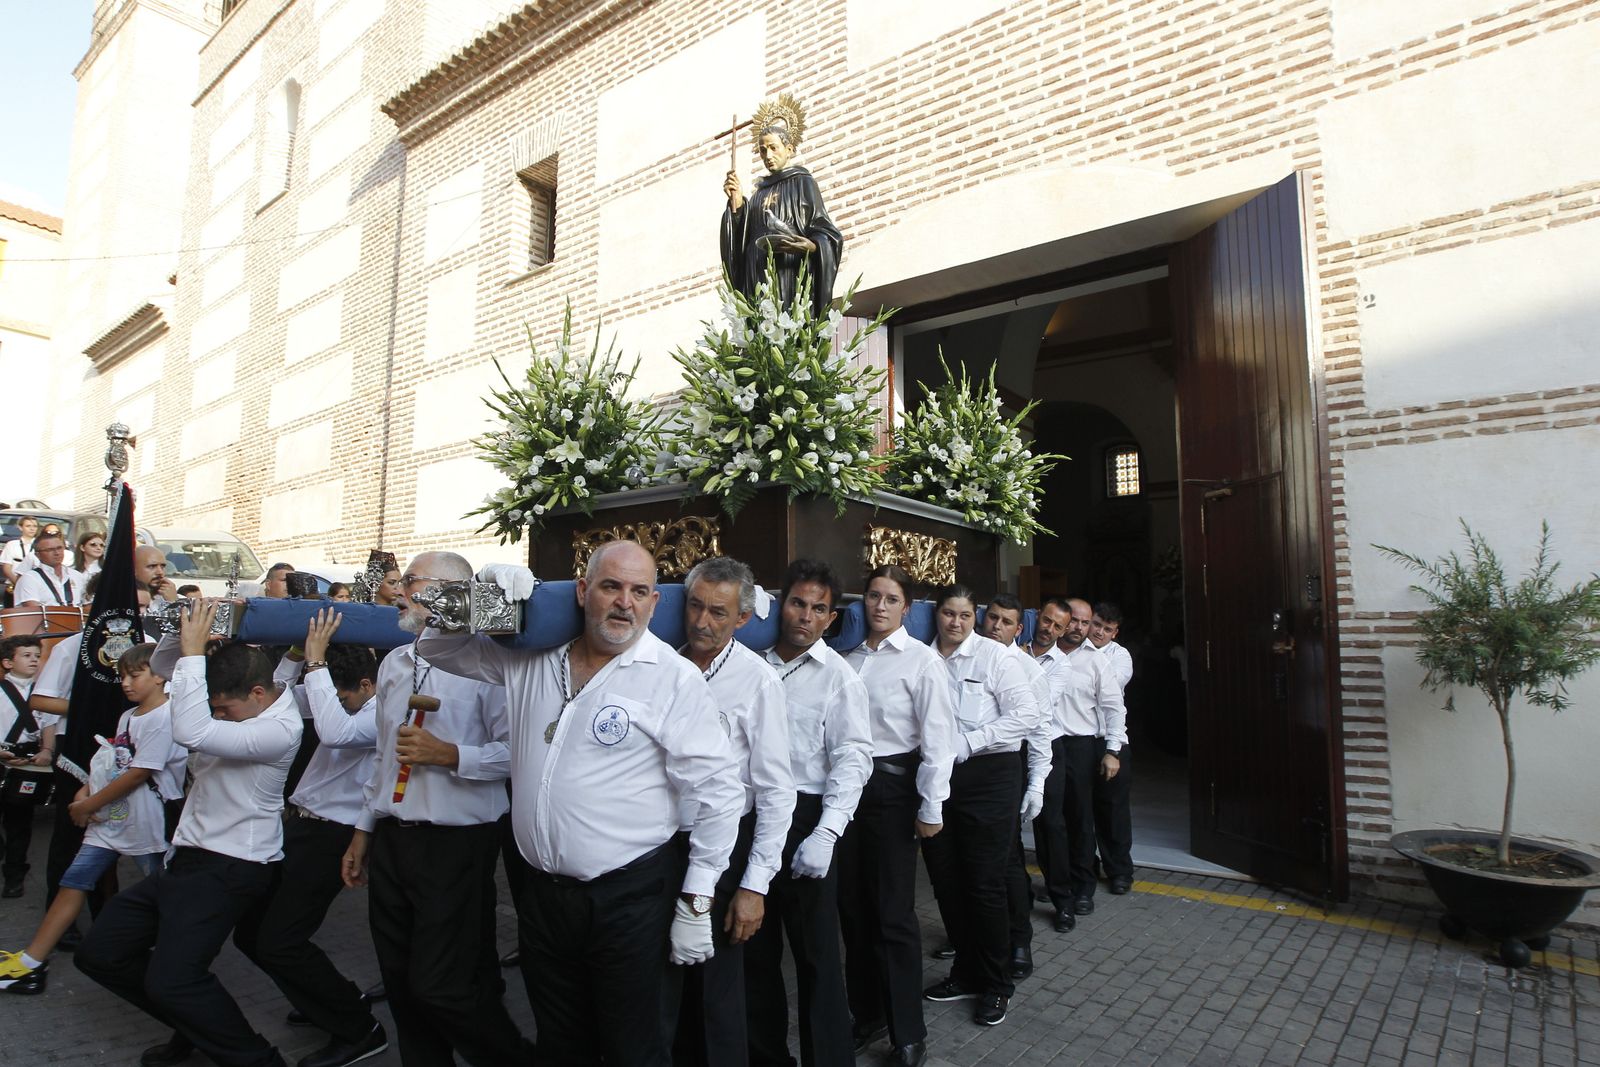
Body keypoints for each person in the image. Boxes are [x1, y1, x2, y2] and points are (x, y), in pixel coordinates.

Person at [416, 542, 744, 1065]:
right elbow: (434, 648)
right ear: (582, 590)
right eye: (611, 586)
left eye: (638, 591)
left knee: (634, 1051)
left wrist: (697, 898)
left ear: (654, 602)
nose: (624, 603)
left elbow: (719, 792)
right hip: (543, 899)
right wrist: (481, 594)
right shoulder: (529, 659)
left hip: (630, 901)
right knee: (562, 1043)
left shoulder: (670, 676)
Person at [75, 602, 303, 1067]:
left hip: (232, 866)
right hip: (187, 859)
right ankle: (193, 1025)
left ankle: (259, 1060)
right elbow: (163, 667)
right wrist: (188, 634)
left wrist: (196, 653)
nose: (218, 715)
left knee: (175, 980)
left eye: (224, 709)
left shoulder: (281, 728)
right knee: (100, 952)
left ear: (258, 693)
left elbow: (191, 731)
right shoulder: (245, 702)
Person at [339, 552, 530, 1067]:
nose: (399, 591)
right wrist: (364, 828)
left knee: (441, 984)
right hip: (393, 838)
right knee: (401, 981)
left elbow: (520, 752)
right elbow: (383, 754)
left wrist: (449, 755)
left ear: (450, 592)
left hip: (456, 843)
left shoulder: (491, 664)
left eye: (411, 581)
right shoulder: (395, 662)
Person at [233, 610, 387, 1067]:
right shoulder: (335, 692)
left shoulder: (383, 709)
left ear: (367, 685)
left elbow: (336, 733)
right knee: (251, 934)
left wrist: (317, 664)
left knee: (280, 940)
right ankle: (329, 998)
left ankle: (359, 1029)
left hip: (333, 836)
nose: (333, 702)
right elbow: (273, 699)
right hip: (300, 826)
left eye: (342, 696)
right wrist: (298, 655)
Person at [666, 557, 795, 1067]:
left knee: (717, 990)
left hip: (724, 848)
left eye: (717, 613)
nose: (702, 622)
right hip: (658, 846)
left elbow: (776, 791)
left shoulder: (757, 681)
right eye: (695, 606)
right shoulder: (661, 665)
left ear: (742, 618)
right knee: (666, 981)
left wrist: (754, 886)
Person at [745, 558, 870, 1067]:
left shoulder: (838, 678)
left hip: (806, 818)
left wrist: (827, 833)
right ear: (781, 606)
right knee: (753, 952)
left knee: (817, 956)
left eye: (819, 609)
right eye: (798, 603)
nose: (806, 616)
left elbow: (853, 758)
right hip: (751, 815)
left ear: (831, 618)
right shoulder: (749, 662)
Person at [1, 643, 182, 993]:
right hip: (111, 821)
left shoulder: (165, 717)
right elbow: (116, 762)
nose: (125, 683)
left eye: (134, 675)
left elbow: (139, 773)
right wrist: (86, 791)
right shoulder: (129, 716)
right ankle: (32, 962)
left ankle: (174, 966)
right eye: (122, 676)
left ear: (160, 676)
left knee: (165, 892)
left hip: (148, 823)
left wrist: (87, 805)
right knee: (74, 882)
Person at [839, 565, 956, 1067]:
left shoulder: (920, 661)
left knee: (892, 913)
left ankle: (908, 1030)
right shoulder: (847, 657)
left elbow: (939, 740)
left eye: (891, 599)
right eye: (873, 596)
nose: (880, 606)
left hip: (892, 791)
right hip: (846, 792)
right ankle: (867, 1014)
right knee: (853, 910)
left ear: (906, 607)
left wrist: (931, 806)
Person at [920, 586, 1042, 1027]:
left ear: (975, 618)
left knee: (984, 883)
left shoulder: (995, 657)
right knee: (946, 880)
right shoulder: (922, 658)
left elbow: (1027, 715)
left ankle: (996, 983)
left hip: (990, 775)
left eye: (965, 615)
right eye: (948, 613)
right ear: (936, 615)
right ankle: (966, 971)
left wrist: (970, 742)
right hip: (936, 775)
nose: (955, 622)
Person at [974, 594, 1053, 980]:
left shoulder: (1027, 669)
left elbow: (1040, 732)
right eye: (992, 618)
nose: (996, 626)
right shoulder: (967, 655)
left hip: (1006, 767)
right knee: (970, 862)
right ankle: (971, 937)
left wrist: (1036, 783)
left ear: (1019, 629)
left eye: (1006, 622)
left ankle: (1019, 939)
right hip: (964, 770)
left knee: (1007, 861)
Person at [1036, 598, 1126, 920]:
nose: (1079, 627)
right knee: (1047, 820)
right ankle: (1055, 882)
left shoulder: (1096, 660)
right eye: (1074, 620)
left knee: (1079, 818)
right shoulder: (1037, 654)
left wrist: (1113, 750)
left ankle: (1083, 886)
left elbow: (1114, 707)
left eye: (1085, 623)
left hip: (1079, 746)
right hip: (1044, 745)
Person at [720, 93, 842, 318]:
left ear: (789, 149)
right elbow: (741, 242)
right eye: (762, 150)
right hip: (757, 274)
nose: (768, 155)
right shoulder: (758, 193)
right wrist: (737, 208)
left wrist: (813, 246)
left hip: (789, 272)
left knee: (788, 322)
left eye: (773, 148)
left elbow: (826, 232)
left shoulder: (803, 183)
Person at [1089, 602, 1135, 895]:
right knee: (1079, 809)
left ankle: (1119, 870)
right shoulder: (1071, 649)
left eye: (1107, 629)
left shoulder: (1120, 656)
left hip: (1112, 740)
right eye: (1096, 625)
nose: (1099, 632)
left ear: (1115, 633)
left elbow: (1108, 687)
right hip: (1079, 739)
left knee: (1113, 809)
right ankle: (1085, 866)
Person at [1, 635, 47, 898]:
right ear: (8, 662)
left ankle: (14, 875)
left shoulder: (44, 693)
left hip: (28, 762)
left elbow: (50, 725)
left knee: (19, 822)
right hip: (1, 757)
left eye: (37, 656)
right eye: (27, 655)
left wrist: (46, 750)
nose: (34, 660)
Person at [12, 529, 87, 608]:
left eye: (59, 548)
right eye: (50, 550)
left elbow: (88, 605)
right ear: (37, 555)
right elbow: (33, 610)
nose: (57, 553)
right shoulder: (29, 579)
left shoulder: (77, 576)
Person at [1, 515, 40, 591]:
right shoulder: (11, 544)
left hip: (35, 586)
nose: (32, 529)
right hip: (13, 585)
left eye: (35, 526)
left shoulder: (41, 545)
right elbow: (6, 568)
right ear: (20, 527)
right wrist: (18, 584)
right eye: (28, 526)